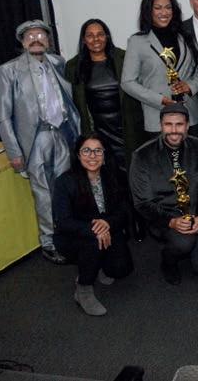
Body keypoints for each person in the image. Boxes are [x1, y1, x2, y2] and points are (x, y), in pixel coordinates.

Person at [0, 19, 81, 264]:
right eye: (30, 36)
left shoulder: (58, 62)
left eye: (40, 35)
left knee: (65, 188)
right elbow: (3, 115)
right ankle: (49, 242)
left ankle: (68, 234)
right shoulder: (8, 70)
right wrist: (14, 152)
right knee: (44, 193)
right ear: (22, 42)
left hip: (63, 133)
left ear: (48, 39)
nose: (36, 40)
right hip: (36, 139)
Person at [66, 18, 146, 241]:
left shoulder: (123, 58)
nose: (96, 39)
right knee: (111, 181)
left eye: (100, 34)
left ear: (107, 36)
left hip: (127, 129)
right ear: (84, 40)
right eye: (90, 35)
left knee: (133, 177)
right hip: (99, 133)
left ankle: (139, 221)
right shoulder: (74, 66)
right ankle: (121, 224)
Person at [129, 103, 198, 285]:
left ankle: (189, 243)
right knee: (183, 243)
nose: (174, 130)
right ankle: (168, 261)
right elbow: (142, 203)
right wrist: (172, 221)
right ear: (161, 125)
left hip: (195, 213)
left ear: (187, 126)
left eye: (179, 124)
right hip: (164, 216)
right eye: (168, 124)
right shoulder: (142, 155)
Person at [53, 133, 133, 316]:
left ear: (105, 155)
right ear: (78, 154)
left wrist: (107, 222)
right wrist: (94, 229)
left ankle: (97, 264)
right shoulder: (64, 182)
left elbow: (124, 211)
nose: (92, 156)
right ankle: (83, 288)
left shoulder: (115, 176)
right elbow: (63, 222)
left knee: (121, 269)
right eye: (86, 151)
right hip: (74, 235)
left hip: (107, 228)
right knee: (93, 243)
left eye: (98, 151)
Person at [121, 0, 198, 139]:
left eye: (168, 7)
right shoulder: (137, 42)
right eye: (158, 8)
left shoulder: (185, 36)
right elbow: (127, 82)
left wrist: (190, 86)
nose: (164, 12)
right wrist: (160, 100)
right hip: (157, 119)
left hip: (191, 117)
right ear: (148, 11)